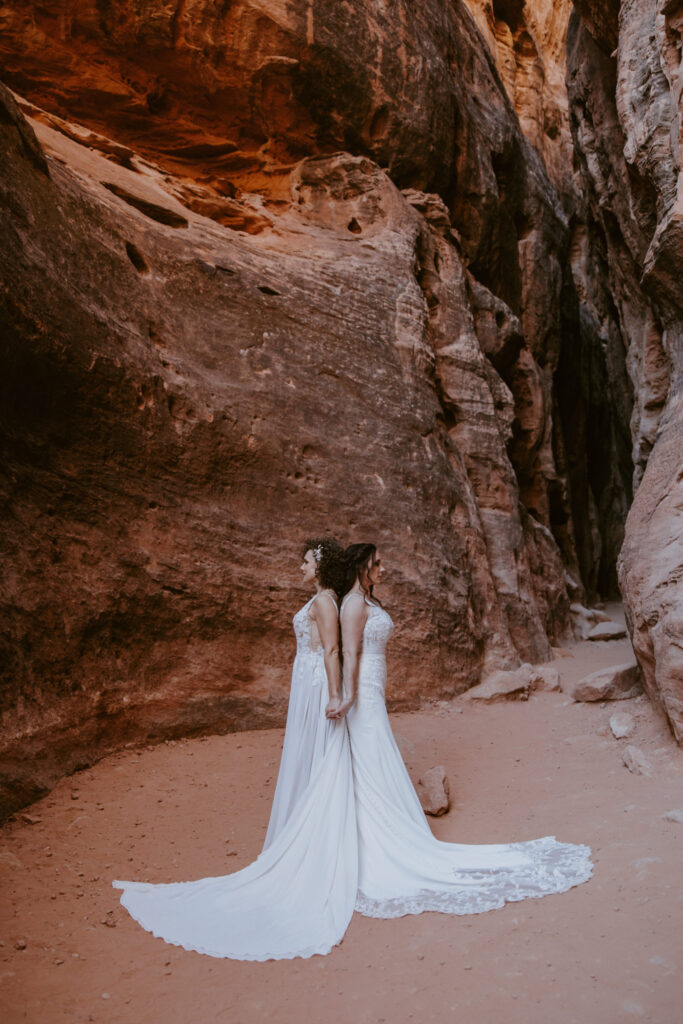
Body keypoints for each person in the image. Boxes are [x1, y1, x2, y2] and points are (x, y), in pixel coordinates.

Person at [113, 538, 358, 961]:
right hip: (307, 680)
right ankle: (299, 825)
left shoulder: (324, 601)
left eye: (304, 561)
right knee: (305, 754)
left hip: (317, 684)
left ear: (318, 565)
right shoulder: (320, 598)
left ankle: (310, 838)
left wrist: (335, 696)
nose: (299, 567)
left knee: (317, 752)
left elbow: (332, 650)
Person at [330, 542, 593, 918]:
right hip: (363, 691)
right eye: (377, 563)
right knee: (371, 753)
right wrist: (350, 694)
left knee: (377, 752)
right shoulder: (353, 604)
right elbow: (350, 652)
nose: (383, 568)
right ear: (362, 566)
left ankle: (384, 829)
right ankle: (371, 839)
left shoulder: (367, 601)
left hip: (374, 687)